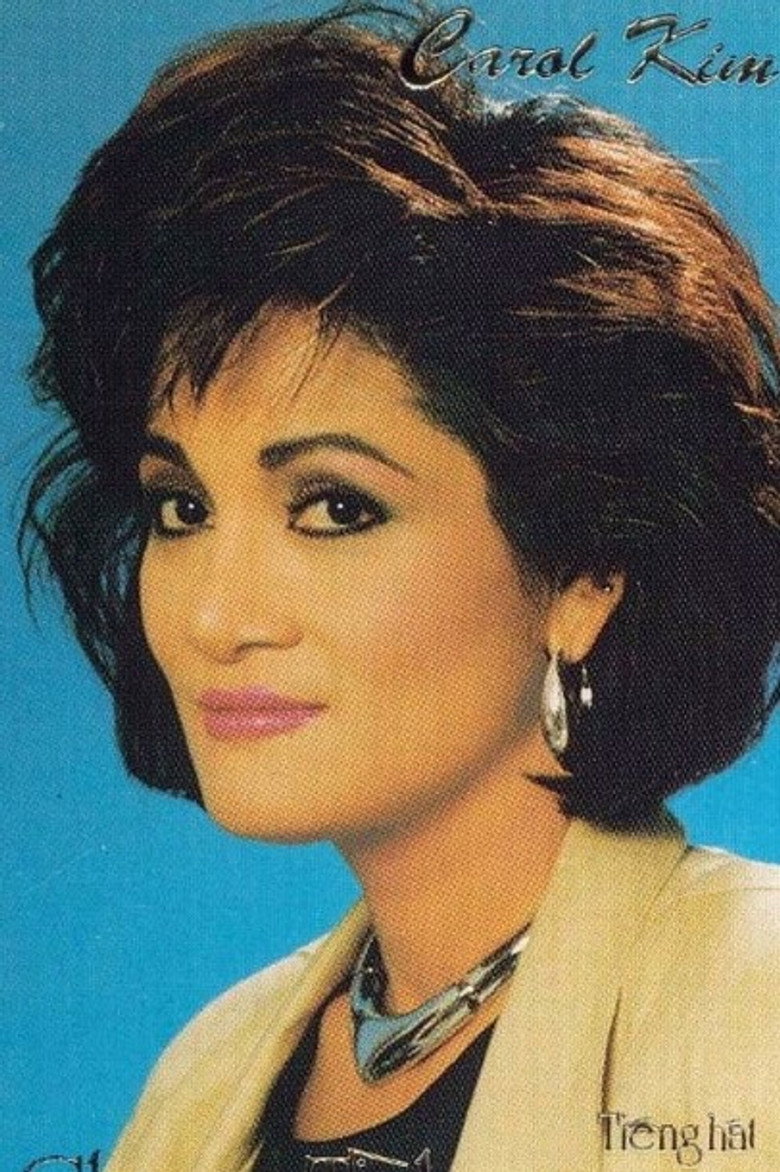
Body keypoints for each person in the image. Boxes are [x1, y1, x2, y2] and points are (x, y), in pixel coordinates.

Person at [21, 6, 780, 1170]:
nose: (215, 614)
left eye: (333, 506)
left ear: (586, 569)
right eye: (182, 507)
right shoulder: (208, 1073)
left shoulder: (753, 1007)